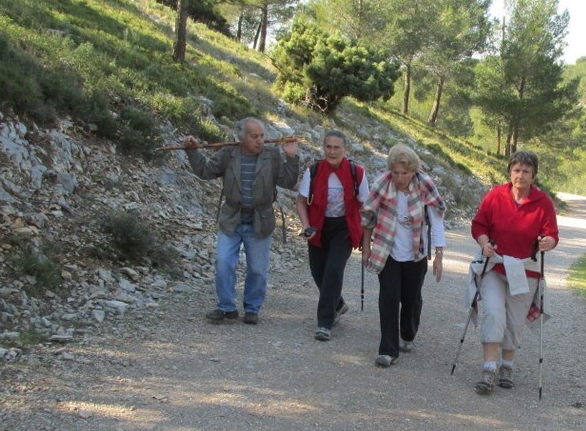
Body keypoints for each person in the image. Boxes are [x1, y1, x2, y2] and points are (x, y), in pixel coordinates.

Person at [182, 118, 300, 325]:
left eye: (262, 136)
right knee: (224, 262)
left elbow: (288, 182)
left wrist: (291, 157)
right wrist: (192, 151)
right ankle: (226, 307)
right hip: (232, 219)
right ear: (241, 137)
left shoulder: (271, 156)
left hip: (260, 220)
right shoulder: (229, 154)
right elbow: (205, 172)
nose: (260, 140)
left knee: (257, 269)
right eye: (254, 136)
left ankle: (252, 308)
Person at [470, 150, 559, 394]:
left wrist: (547, 242)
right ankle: (488, 369)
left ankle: (507, 365)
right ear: (510, 171)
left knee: (515, 320)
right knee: (494, 313)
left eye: (526, 171)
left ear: (534, 175)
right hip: (495, 266)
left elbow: (552, 234)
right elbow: (478, 225)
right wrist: (484, 242)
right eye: (517, 170)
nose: (521, 175)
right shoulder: (495, 195)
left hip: (525, 271)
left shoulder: (542, 203)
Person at [360, 144, 446, 368]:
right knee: (388, 298)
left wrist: (439, 255)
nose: (400, 178)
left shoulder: (424, 185)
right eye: (396, 172)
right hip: (387, 250)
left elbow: (437, 221)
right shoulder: (382, 184)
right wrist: (366, 247)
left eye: (405, 173)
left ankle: (407, 333)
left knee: (411, 298)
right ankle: (388, 350)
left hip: (416, 253)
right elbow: (368, 216)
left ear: (413, 171)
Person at [296, 130, 369, 341]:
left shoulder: (357, 173)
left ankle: (324, 323)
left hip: (344, 227)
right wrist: (306, 226)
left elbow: (366, 207)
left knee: (333, 270)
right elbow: (301, 202)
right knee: (318, 273)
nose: (332, 151)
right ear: (323, 148)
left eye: (337, 147)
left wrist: (366, 239)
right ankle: (338, 304)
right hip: (318, 226)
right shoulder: (314, 171)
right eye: (328, 146)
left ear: (345, 150)